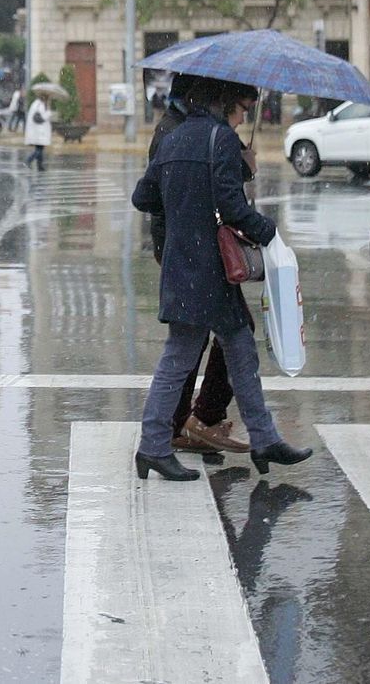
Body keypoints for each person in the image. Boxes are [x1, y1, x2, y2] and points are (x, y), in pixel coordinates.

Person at [131, 76, 313, 480]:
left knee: (239, 349)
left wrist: (185, 200)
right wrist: (270, 232)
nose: (244, 115)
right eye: (243, 109)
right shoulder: (221, 141)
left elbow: (142, 197)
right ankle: (153, 447)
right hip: (209, 268)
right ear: (227, 103)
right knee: (182, 357)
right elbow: (232, 208)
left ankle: (263, 439)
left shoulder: (174, 139)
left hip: (184, 264)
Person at [147, 74, 247, 457]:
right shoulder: (178, 132)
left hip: (193, 247)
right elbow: (159, 193)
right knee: (212, 335)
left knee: (199, 336)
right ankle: (195, 420)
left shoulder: (183, 128)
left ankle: (187, 421)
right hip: (194, 248)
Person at [24, 94, 52, 170]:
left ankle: (40, 166)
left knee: (39, 148)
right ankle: (28, 160)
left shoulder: (36, 103)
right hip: (39, 131)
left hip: (36, 130)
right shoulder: (40, 105)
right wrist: (48, 113)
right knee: (39, 149)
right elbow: (41, 118)